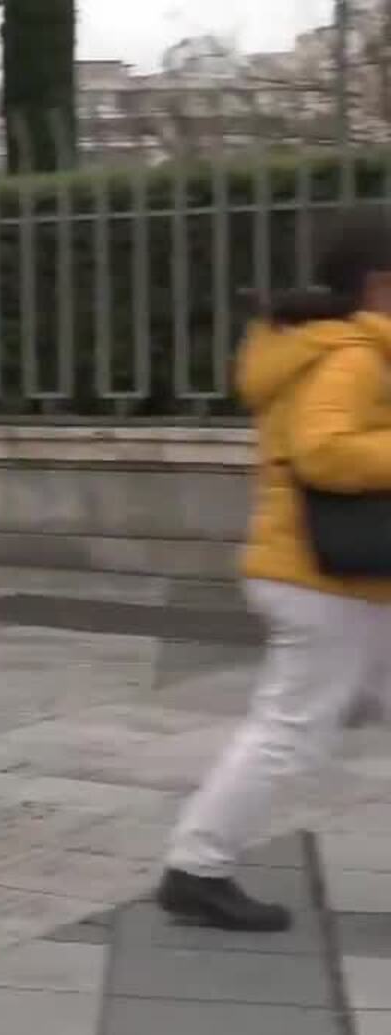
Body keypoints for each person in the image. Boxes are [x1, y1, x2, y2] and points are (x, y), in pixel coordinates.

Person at [161, 209, 391, 932]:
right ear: (382, 285)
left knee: (292, 723)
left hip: (339, 576)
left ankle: (197, 864)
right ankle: (197, 867)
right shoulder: (353, 355)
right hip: (325, 578)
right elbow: (324, 451)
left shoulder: (341, 346)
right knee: (291, 728)